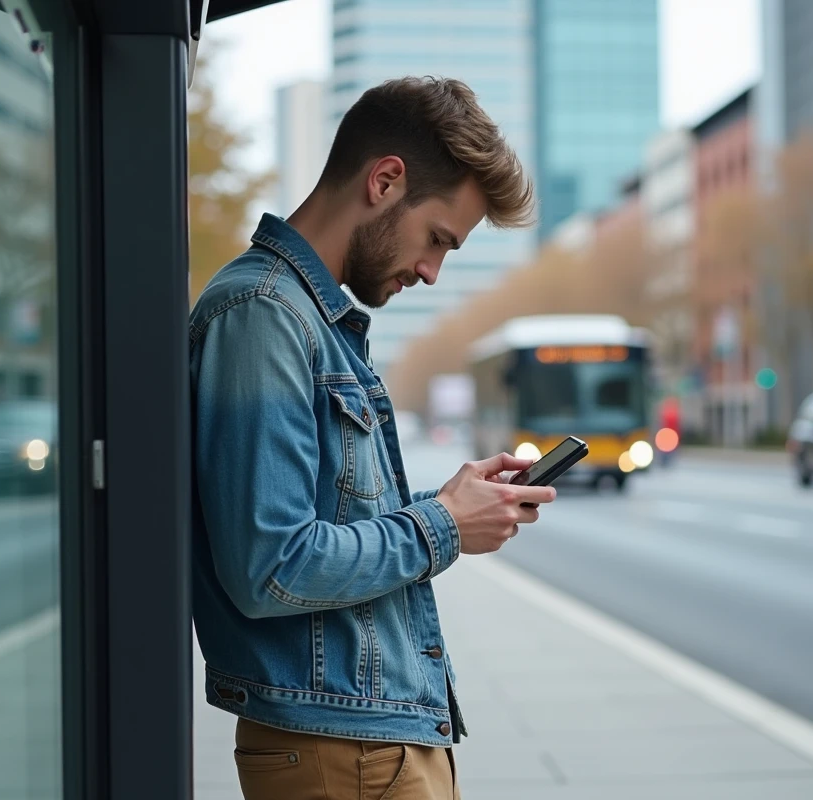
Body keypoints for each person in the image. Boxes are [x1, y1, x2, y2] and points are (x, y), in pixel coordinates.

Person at [189, 77, 556, 800]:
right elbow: (273, 564)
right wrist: (440, 525)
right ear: (386, 180)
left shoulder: (305, 319)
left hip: (364, 744)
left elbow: (323, 523)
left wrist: (454, 504)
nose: (430, 271)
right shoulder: (263, 316)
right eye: (438, 240)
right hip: (341, 753)